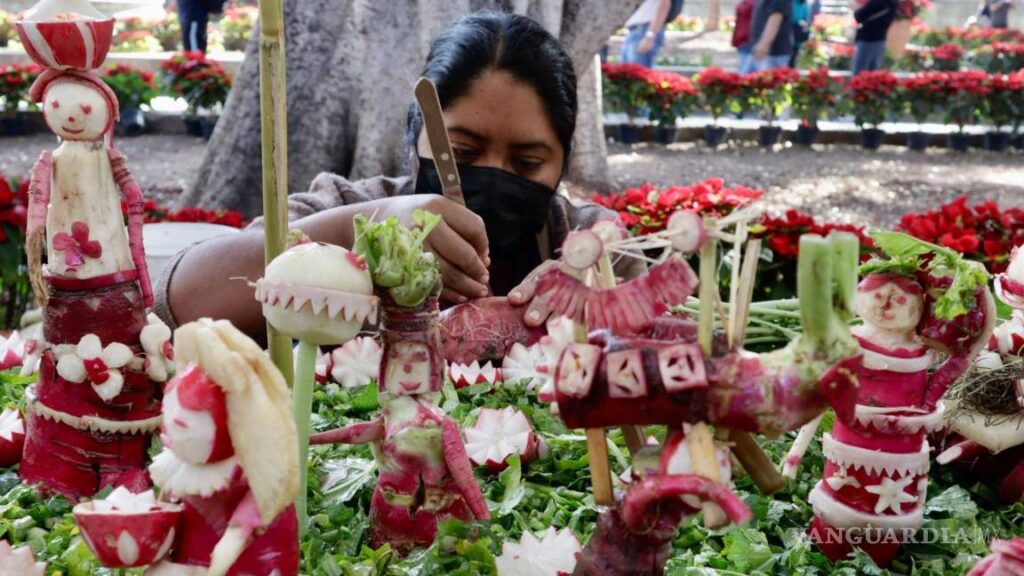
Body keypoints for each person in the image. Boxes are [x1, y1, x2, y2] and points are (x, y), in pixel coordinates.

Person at [156, 12, 644, 341]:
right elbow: (179, 301)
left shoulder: (584, 242)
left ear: (564, 159)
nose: (494, 177)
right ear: (415, 139)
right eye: (463, 152)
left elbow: (661, 345)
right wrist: (371, 225)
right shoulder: (343, 204)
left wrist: (599, 291)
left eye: (528, 163)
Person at [620, 0, 674, 68]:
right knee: (627, 73)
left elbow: (664, 5)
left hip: (645, 30)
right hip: (634, 31)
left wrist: (650, 35)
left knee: (638, 74)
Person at [852, 0, 897, 76]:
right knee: (872, 74)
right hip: (881, 40)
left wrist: (856, 8)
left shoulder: (877, 2)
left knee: (859, 74)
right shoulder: (893, 4)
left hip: (867, 40)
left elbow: (859, 16)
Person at [749, 0, 794, 71]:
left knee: (767, 79)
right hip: (765, 51)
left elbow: (776, 15)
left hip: (772, 52)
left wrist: (763, 44)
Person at [733, 0, 758, 74]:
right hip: (749, 39)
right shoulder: (754, 4)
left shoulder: (743, 4)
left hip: (743, 38)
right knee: (746, 71)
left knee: (745, 68)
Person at [791, 0, 811, 68]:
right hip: (790, 36)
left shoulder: (804, 3)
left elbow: (806, 19)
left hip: (797, 37)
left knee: (793, 60)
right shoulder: (792, 2)